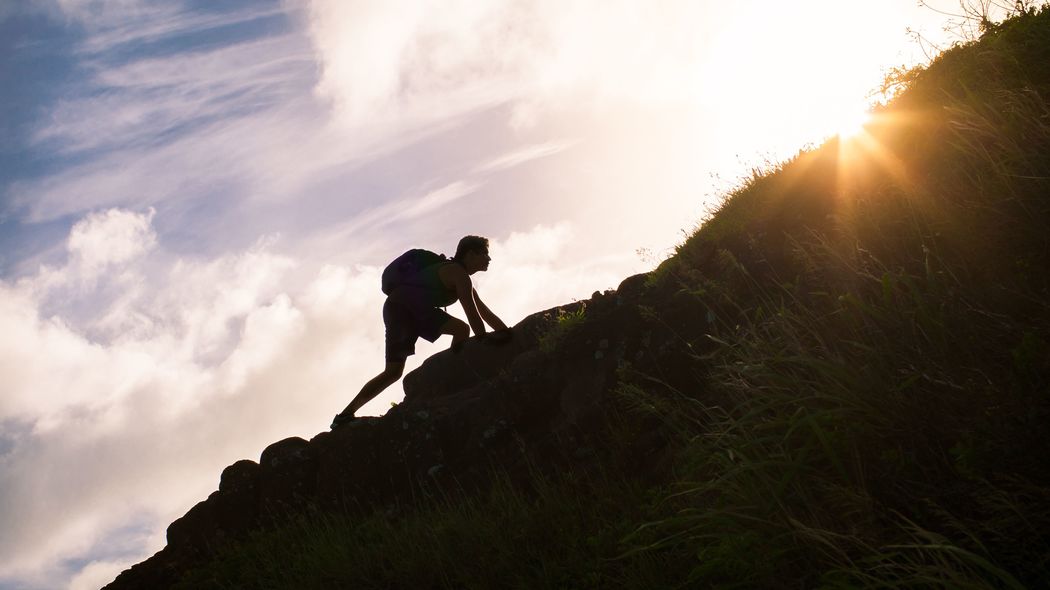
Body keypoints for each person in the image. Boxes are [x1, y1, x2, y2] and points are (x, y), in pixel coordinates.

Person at [331, 235, 510, 428]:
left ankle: (344, 416)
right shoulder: (457, 274)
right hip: (404, 308)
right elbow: (472, 313)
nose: (489, 259)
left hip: (400, 308)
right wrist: (484, 341)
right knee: (460, 330)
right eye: (485, 254)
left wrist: (506, 332)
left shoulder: (460, 276)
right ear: (471, 254)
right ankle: (451, 378)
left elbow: (484, 312)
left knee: (393, 372)